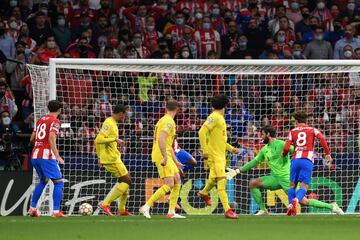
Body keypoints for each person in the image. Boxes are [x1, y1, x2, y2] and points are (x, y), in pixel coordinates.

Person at [226, 125, 344, 215]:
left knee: (304, 201)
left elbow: (297, 150)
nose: (260, 137)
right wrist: (237, 171)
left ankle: (332, 206)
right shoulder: (264, 149)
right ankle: (263, 210)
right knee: (253, 183)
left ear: (268, 134)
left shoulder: (282, 144)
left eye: (262, 134)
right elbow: (254, 162)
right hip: (275, 178)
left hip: (288, 179)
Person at [282, 110, 334, 216]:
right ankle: (296, 200)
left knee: (292, 186)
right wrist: (327, 153)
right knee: (303, 187)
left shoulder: (292, 131)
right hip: (307, 161)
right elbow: (322, 138)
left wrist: (283, 155)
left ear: (296, 120)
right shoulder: (313, 130)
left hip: (295, 160)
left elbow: (287, 147)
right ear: (306, 120)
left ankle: (290, 206)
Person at [139, 100, 185, 219]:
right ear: (178, 109)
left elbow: (169, 145)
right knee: (169, 183)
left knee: (177, 180)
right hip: (161, 154)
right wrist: (165, 157)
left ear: (166, 108)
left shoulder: (165, 120)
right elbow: (161, 139)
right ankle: (146, 206)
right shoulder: (168, 121)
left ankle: (171, 212)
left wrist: (176, 162)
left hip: (167, 154)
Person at [197, 94, 240, 219]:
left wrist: (231, 148)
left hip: (221, 156)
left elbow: (220, 140)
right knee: (221, 183)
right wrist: (205, 151)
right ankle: (227, 210)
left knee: (214, 179)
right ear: (225, 105)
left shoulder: (220, 118)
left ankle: (204, 192)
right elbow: (201, 132)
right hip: (214, 157)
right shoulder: (214, 117)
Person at [28, 100, 65, 218]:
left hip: (35, 155)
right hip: (46, 156)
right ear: (59, 110)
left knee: (43, 180)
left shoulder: (40, 120)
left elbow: (32, 138)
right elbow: (51, 137)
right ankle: (55, 211)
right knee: (58, 182)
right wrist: (57, 155)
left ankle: (32, 209)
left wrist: (39, 144)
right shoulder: (55, 121)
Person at [96, 104, 132, 216]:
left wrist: (99, 157)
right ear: (121, 113)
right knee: (127, 181)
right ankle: (105, 204)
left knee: (126, 180)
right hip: (111, 158)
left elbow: (98, 141)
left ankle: (121, 210)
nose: (125, 117)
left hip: (111, 157)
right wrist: (115, 139)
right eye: (125, 114)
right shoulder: (109, 123)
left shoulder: (113, 123)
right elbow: (99, 139)